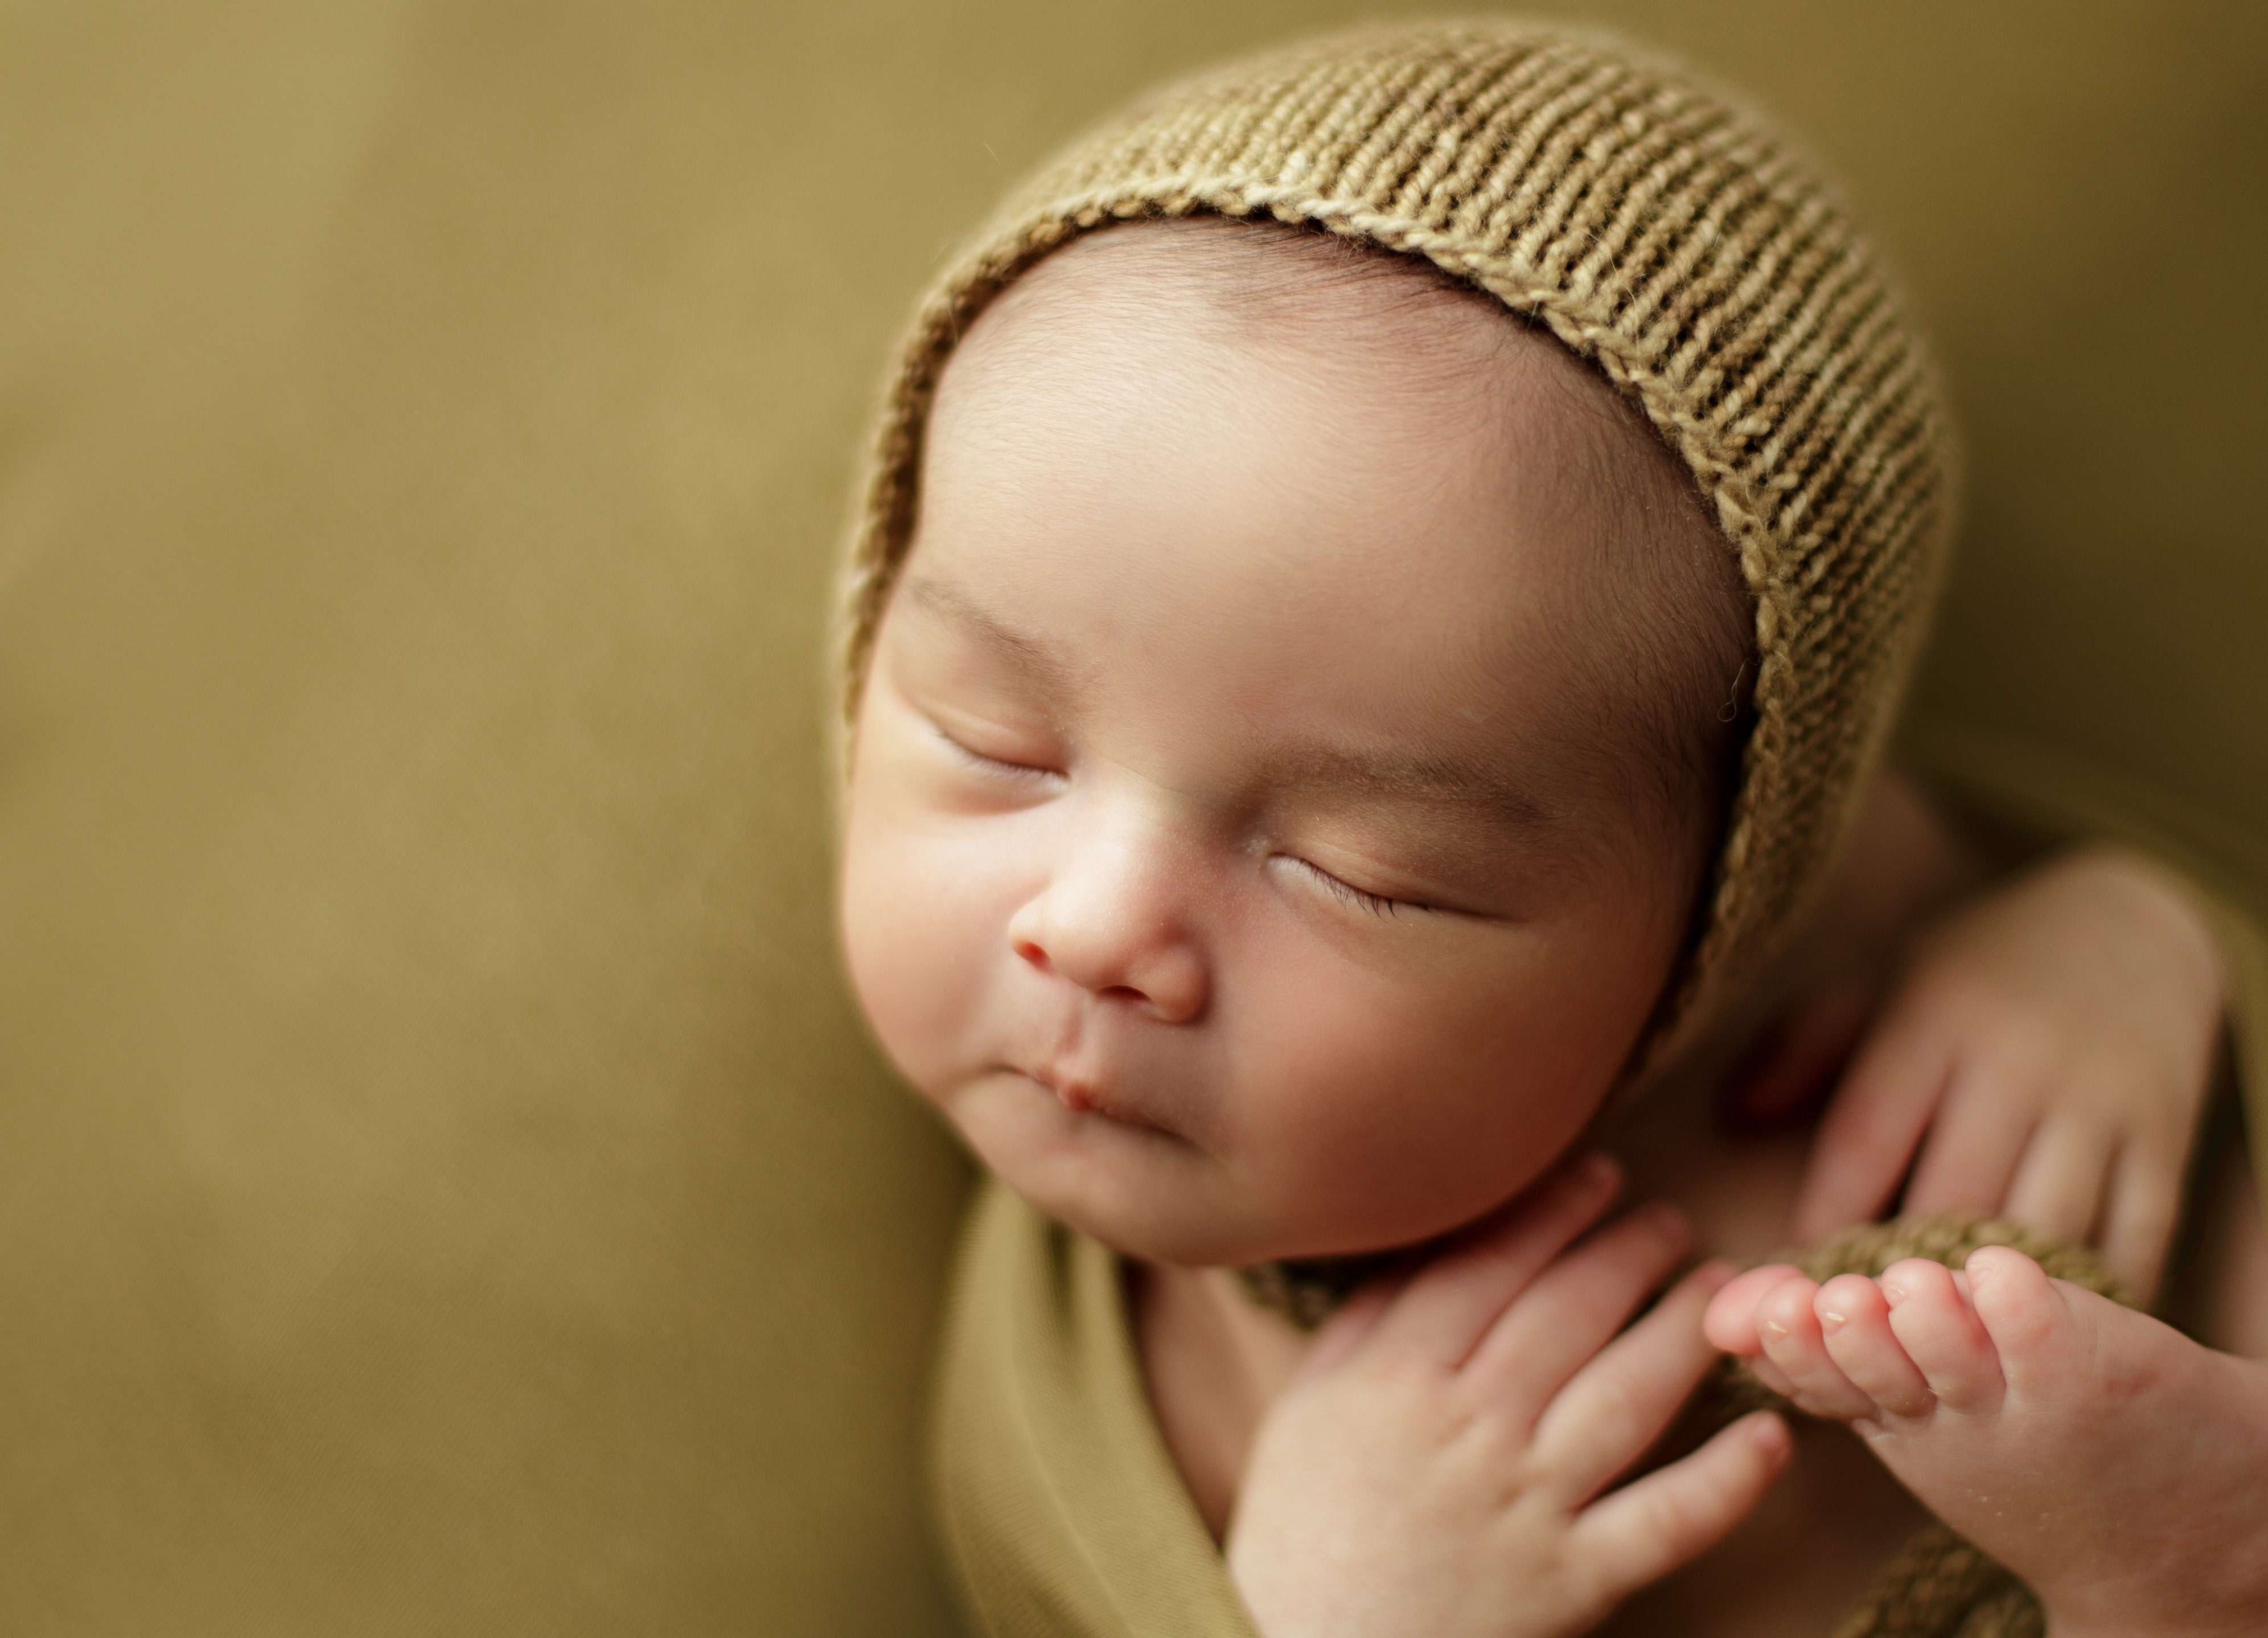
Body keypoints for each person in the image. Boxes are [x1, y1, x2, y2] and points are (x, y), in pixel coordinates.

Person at [831, 20, 2268, 1637]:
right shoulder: (1083, 1424)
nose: (1095, 930)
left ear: (1728, 903)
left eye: (1360, 870)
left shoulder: (1883, 926)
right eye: (996, 744)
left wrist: (2131, 944)